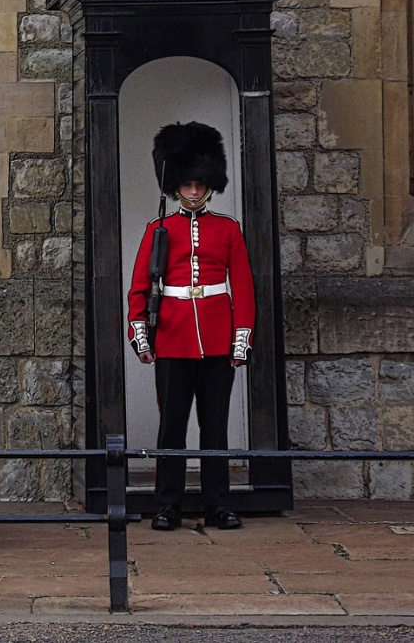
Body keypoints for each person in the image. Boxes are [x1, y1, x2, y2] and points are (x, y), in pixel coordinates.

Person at [127, 121, 254, 531]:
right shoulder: (157, 230)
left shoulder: (228, 229)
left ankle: (219, 505)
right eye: (187, 184)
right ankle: (168, 505)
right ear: (175, 185)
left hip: (217, 339)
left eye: (200, 184)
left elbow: (245, 290)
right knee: (172, 428)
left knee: (215, 427)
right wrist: (141, 337)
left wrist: (241, 341)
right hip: (173, 338)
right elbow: (138, 291)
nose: (194, 191)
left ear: (209, 184)